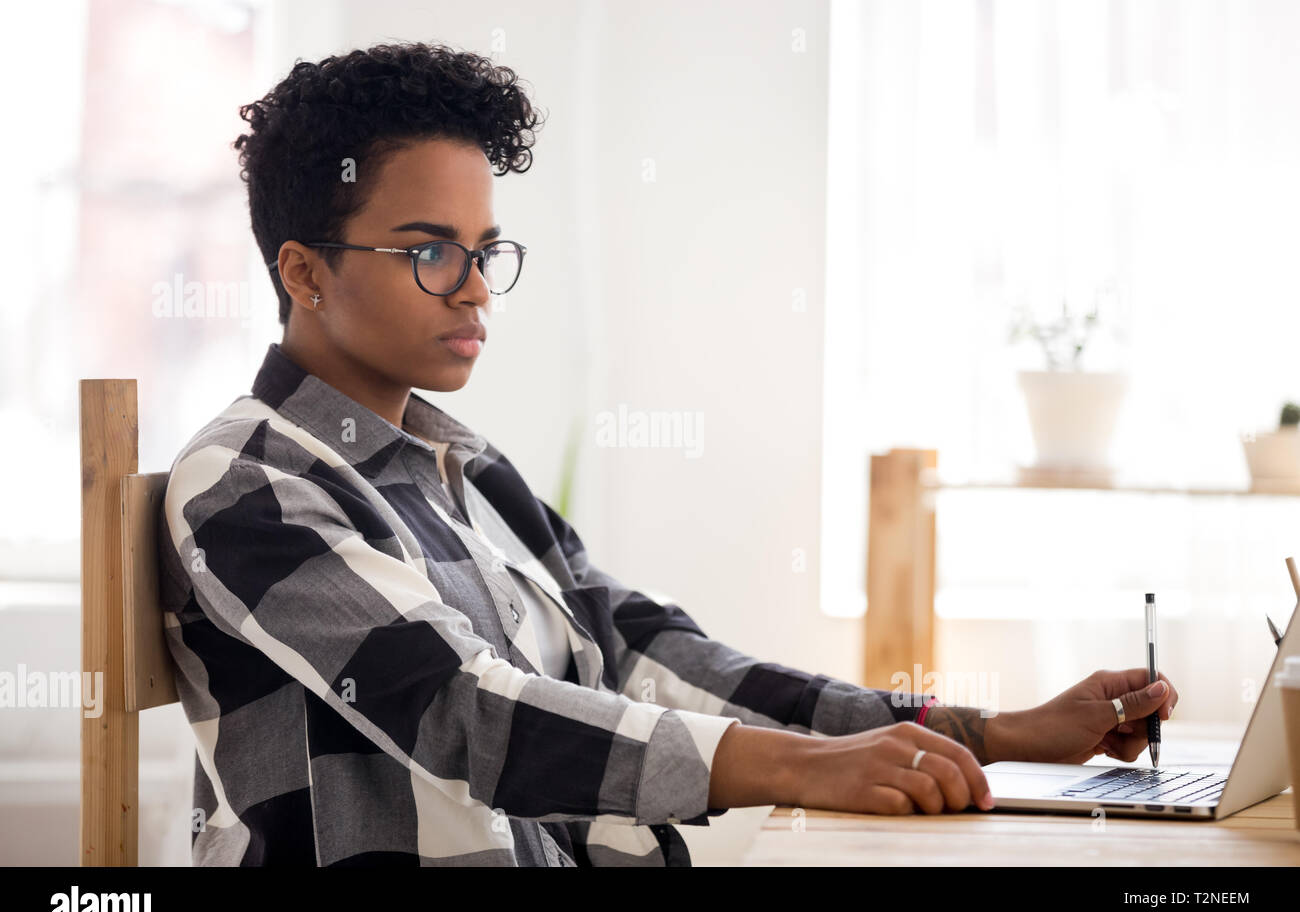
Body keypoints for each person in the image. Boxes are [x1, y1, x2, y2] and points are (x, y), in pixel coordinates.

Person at [157, 40, 1179, 867]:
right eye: (430, 250)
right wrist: (799, 769)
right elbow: (459, 710)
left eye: (484, 249)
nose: (474, 286)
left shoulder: (470, 470)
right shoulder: (252, 480)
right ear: (303, 270)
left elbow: (653, 654)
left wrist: (992, 733)